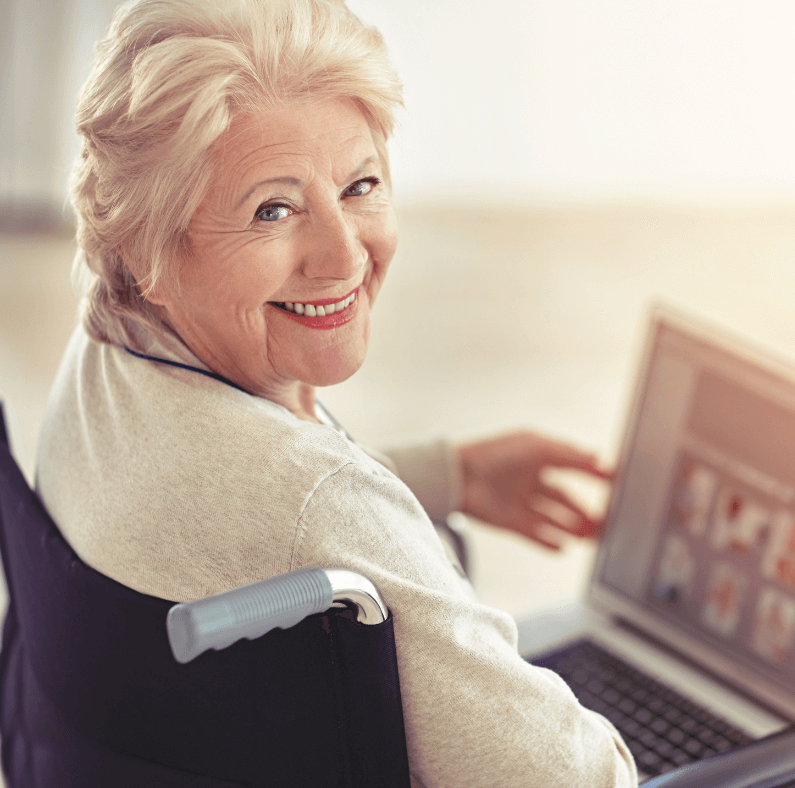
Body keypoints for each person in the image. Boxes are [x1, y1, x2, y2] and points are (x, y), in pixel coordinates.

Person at [34, 0, 638, 785]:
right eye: (273, 209)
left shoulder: (105, 357)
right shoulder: (326, 509)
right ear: (144, 245)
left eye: (360, 186)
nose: (342, 256)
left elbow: (239, 510)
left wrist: (447, 475)